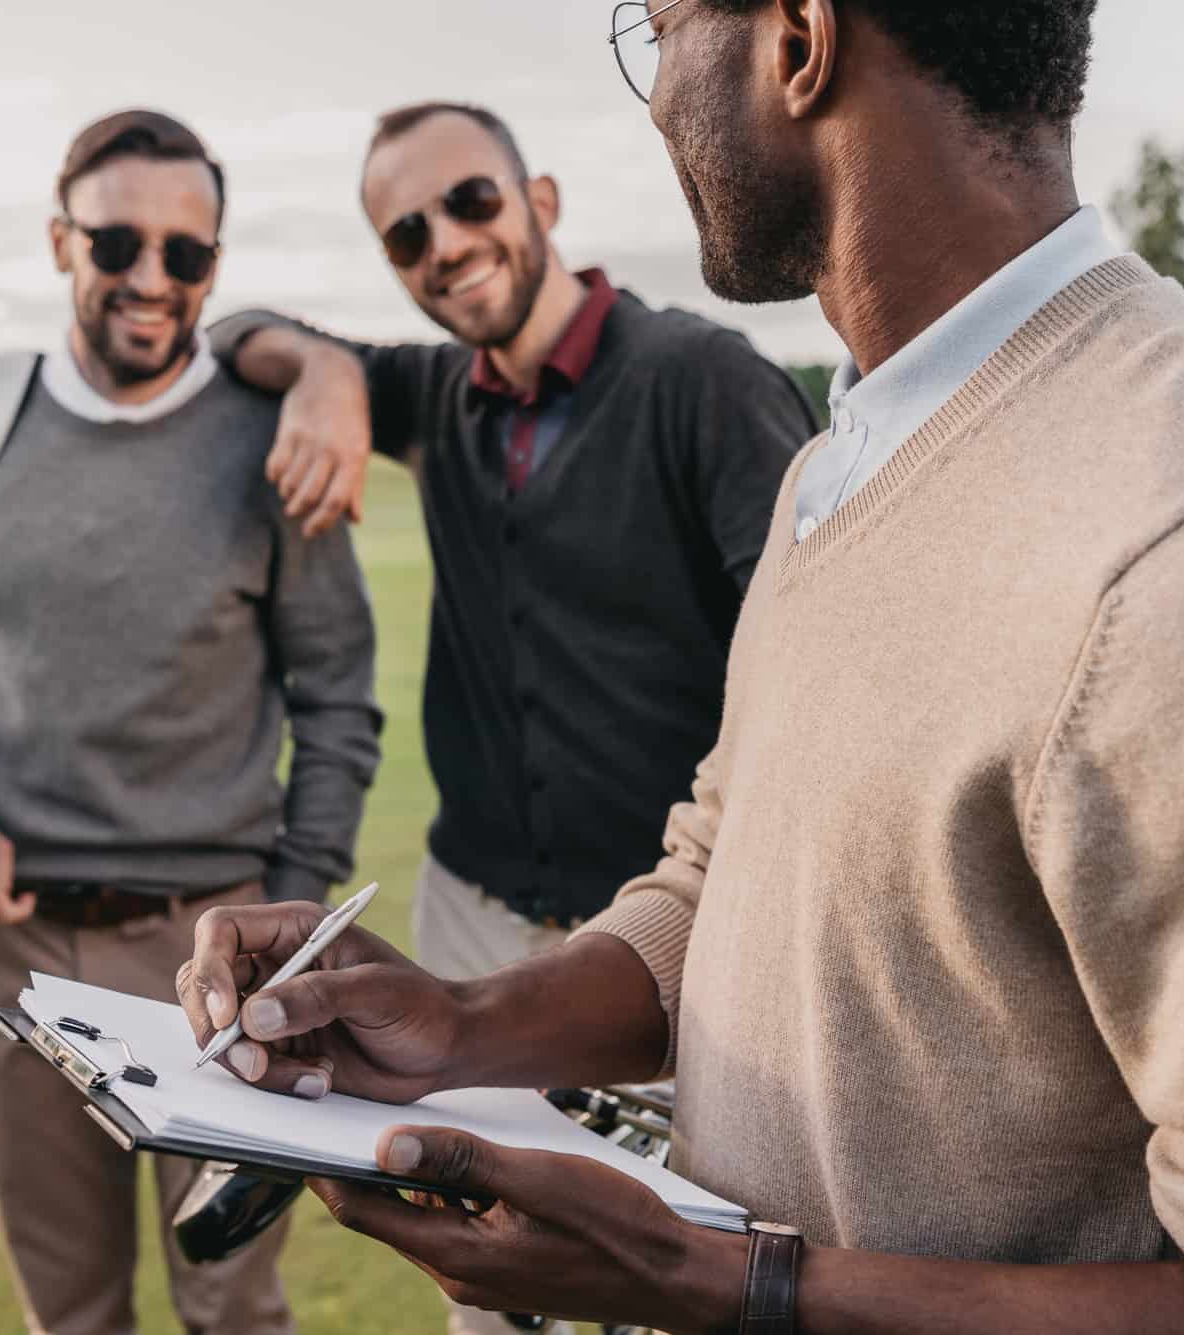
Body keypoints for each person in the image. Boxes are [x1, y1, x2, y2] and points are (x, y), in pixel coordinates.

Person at [176, 3, 1184, 1332]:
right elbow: (719, 878)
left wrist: (718, 1282)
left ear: (797, 40)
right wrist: (461, 1023)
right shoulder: (842, 461)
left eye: (661, 22)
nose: (653, 94)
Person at [0, 108, 381, 1335]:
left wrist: (287, 919)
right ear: (59, 240)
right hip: (6, 957)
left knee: (235, 1308)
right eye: (118, 242)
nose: (150, 279)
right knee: (69, 1314)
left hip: (218, 955)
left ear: (215, 269)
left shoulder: (272, 443)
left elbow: (337, 699)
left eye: (187, 254)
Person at [206, 101, 814, 1012]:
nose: (445, 244)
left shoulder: (704, 381)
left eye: (472, 200)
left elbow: (814, 655)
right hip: (467, 927)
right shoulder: (430, 391)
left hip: (677, 931)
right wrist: (323, 370)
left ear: (541, 199)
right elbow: (232, 331)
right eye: (407, 235)